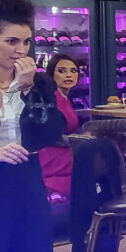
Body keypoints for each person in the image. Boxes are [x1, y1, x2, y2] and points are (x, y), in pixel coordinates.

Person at [0, 0, 54, 252]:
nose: (21, 50)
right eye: (11, 41)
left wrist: (29, 90)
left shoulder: (38, 83)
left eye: (27, 41)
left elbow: (51, 134)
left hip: (28, 185)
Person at [38, 53, 82, 202]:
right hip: (51, 154)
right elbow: (49, 134)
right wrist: (78, 141)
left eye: (73, 71)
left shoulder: (64, 98)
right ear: (51, 75)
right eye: (62, 71)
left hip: (63, 150)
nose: (69, 75)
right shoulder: (52, 98)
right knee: (95, 158)